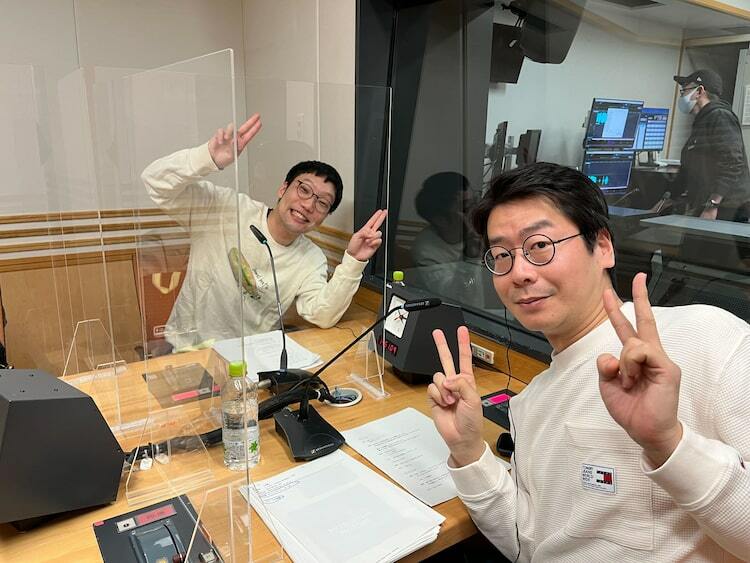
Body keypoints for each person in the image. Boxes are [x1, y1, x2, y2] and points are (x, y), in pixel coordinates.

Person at [428, 162, 750, 561]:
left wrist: (668, 443)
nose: (519, 273)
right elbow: (526, 544)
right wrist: (468, 451)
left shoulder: (707, 338)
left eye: (540, 245)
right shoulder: (532, 402)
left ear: (602, 247)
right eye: (501, 255)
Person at [142, 114, 386, 348]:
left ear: (324, 218)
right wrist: (207, 158)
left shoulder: (311, 259)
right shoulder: (226, 208)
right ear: (283, 189)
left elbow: (321, 315)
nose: (309, 205)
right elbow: (154, 182)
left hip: (251, 359)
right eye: (304, 190)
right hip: (186, 347)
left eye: (322, 203)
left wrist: (353, 261)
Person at [673, 69, 750, 222]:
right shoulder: (702, 120)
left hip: (726, 208)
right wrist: (669, 198)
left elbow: (732, 163)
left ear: (699, 91)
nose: (682, 96)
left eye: (684, 91)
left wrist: (713, 204)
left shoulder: (720, 116)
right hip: (708, 203)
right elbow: (689, 167)